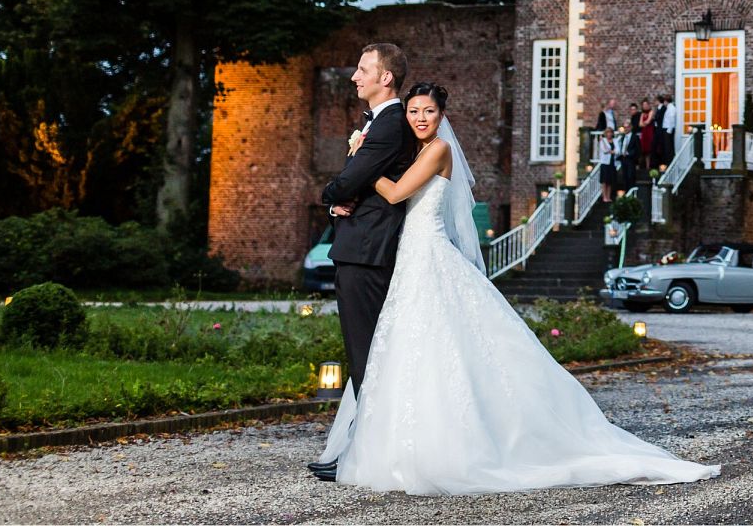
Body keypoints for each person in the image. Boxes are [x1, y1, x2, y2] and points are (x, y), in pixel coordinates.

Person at [316, 82, 718, 494]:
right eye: (414, 111)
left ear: (442, 117)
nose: (421, 118)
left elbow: (399, 192)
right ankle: (409, 439)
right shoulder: (413, 152)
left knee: (443, 344)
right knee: (416, 349)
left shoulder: (438, 150)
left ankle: (463, 446)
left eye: (429, 112)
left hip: (430, 257)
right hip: (410, 259)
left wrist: (362, 164)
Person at [306, 42, 411, 482]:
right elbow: (352, 186)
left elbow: (349, 180)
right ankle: (359, 448)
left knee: (367, 356)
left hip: (367, 252)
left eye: (364, 69)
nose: (355, 76)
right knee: (364, 354)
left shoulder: (388, 125)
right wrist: (336, 204)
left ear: (386, 77)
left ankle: (371, 456)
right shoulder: (376, 123)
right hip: (360, 245)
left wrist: (330, 194)